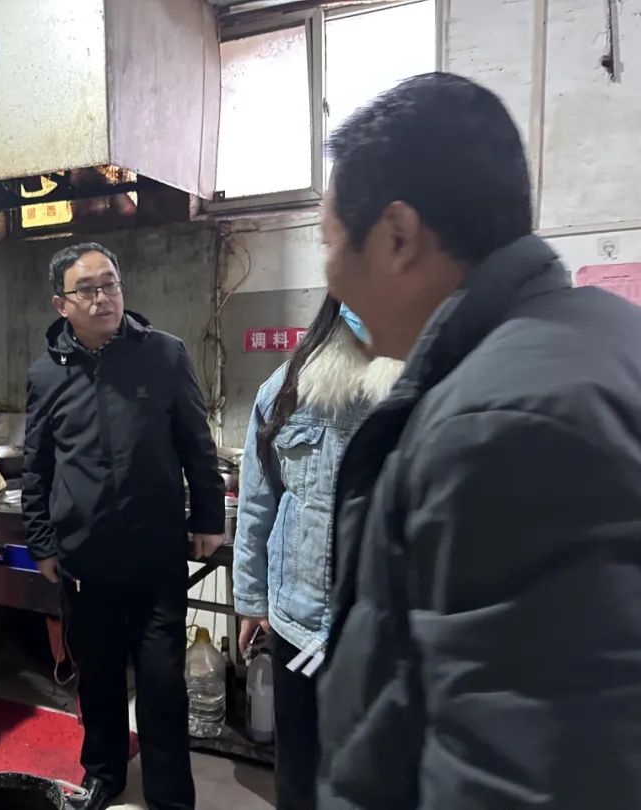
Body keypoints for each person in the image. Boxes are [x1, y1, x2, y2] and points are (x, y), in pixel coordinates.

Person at [317, 72, 641, 808]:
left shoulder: (498, 427)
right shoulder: (599, 335)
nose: (329, 278)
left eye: (329, 242)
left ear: (398, 237)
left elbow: (513, 775)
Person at [22, 243, 226, 810]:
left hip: (156, 554)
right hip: (85, 560)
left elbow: (196, 442)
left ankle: (170, 796)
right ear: (61, 303)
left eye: (109, 284)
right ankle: (103, 774)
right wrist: (42, 541)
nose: (102, 298)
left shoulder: (163, 354)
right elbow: (37, 466)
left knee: (162, 683)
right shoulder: (46, 373)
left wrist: (208, 515)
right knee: (99, 679)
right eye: (87, 289)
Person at [233, 296, 402, 810]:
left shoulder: (424, 389)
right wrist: (251, 600)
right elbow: (257, 502)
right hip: (300, 627)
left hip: (387, 637)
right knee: (300, 775)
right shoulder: (289, 388)